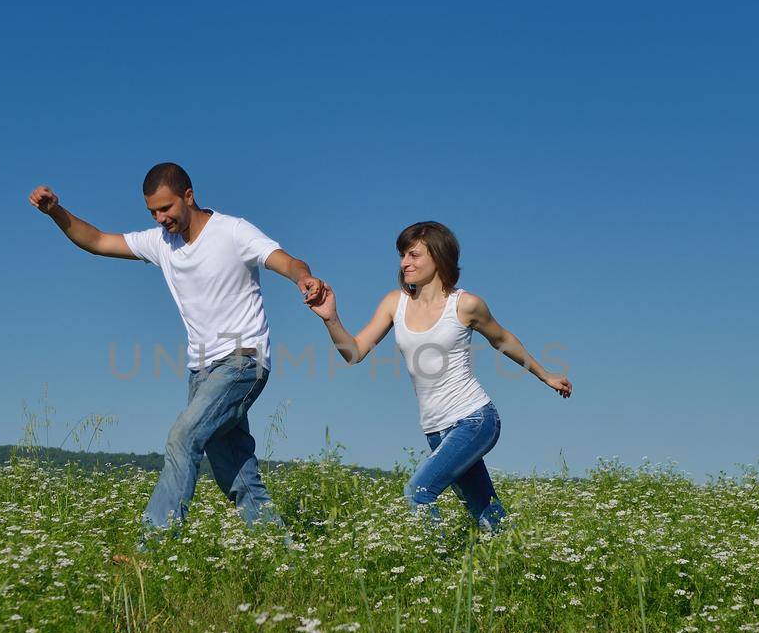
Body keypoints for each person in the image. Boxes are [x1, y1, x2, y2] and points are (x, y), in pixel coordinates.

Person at [29, 162, 326, 547]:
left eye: (166, 208)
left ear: (188, 196)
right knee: (233, 468)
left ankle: (152, 548)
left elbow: (283, 259)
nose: (160, 218)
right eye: (152, 211)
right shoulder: (161, 243)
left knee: (182, 438)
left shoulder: (232, 231)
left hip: (242, 360)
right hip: (201, 371)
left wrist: (303, 278)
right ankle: (280, 551)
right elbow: (98, 241)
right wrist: (56, 211)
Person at [310, 221, 570, 531]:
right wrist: (331, 318)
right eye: (403, 255)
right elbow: (353, 352)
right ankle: (518, 560)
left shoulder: (465, 305)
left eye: (414, 255)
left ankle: (436, 565)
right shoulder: (395, 304)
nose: (405, 262)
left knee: (419, 492)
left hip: (474, 418)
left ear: (438, 256)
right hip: (435, 429)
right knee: (485, 511)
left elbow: (503, 340)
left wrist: (545, 375)